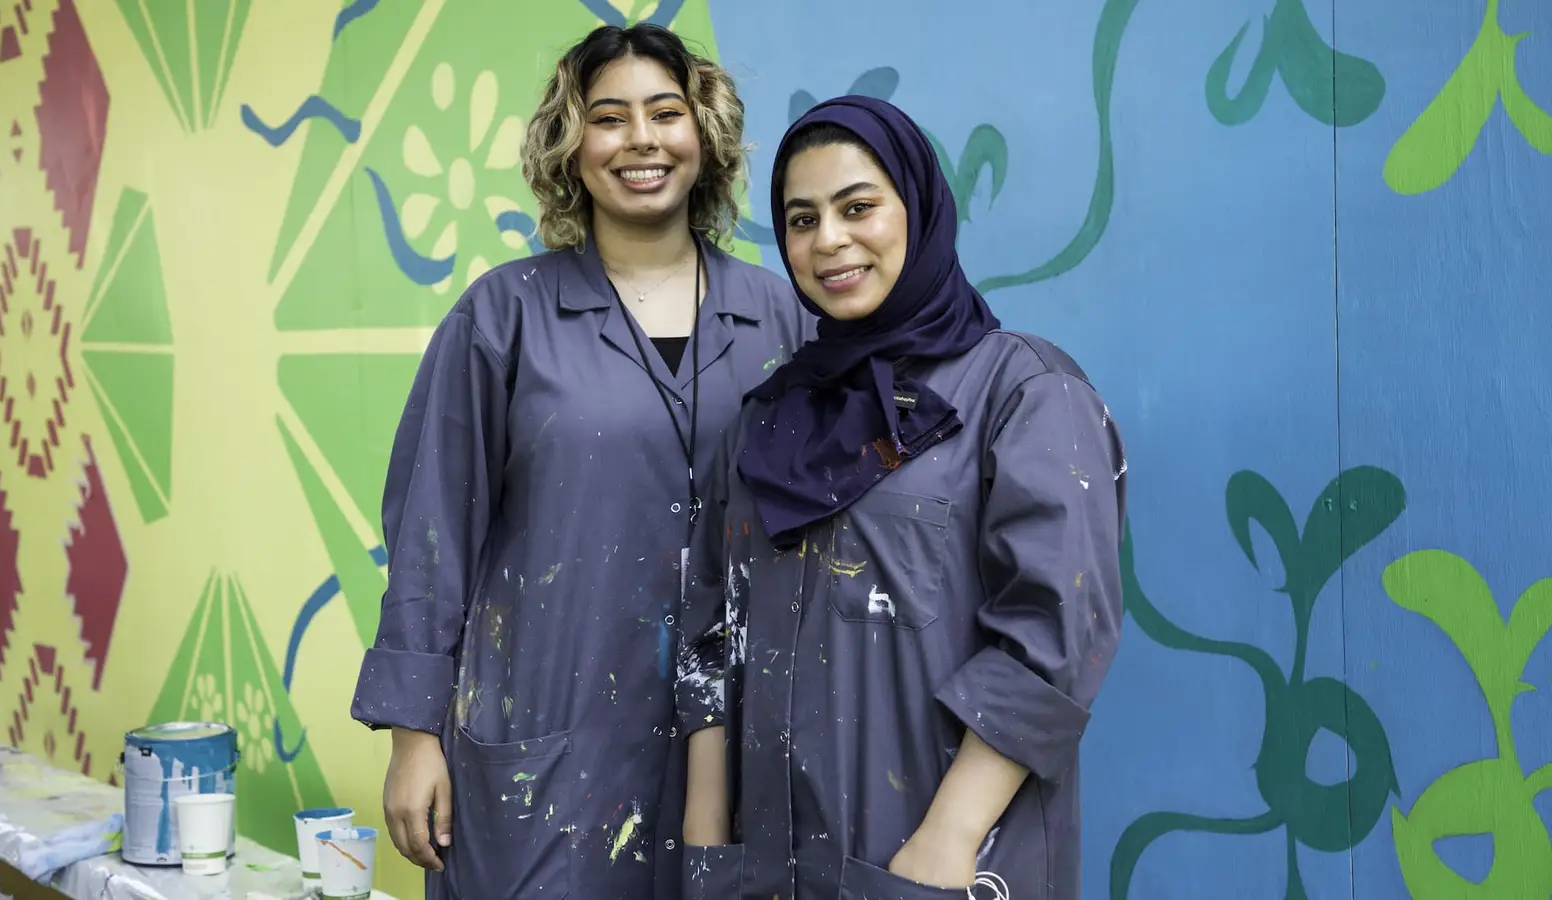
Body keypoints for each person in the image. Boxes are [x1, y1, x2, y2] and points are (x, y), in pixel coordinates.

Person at [349, 23, 812, 900]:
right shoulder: (503, 318)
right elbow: (430, 532)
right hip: (547, 749)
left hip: (733, 754)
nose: (642, 139)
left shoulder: (782, 320)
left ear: (702, 135)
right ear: (571, 145)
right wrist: (413, 738)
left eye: (666, 112)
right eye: (609, 117)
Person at [675, 95, 1127, 900]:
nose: (830, 241)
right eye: (802, 219)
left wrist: (947, 839)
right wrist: (707, 843)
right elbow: (713, 630)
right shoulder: (767, 419)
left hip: (940, 862)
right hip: (763, 870)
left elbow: (1056, 637)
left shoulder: (1022, 392)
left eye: (858, 208)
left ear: (917, 209)